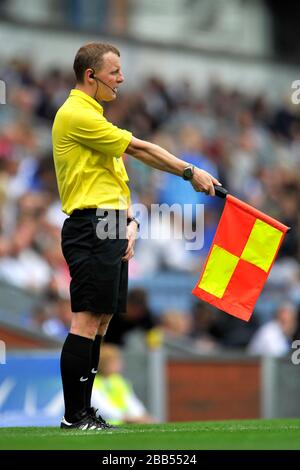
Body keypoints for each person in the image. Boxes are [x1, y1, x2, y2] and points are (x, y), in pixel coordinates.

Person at [52, 42, 220, 430]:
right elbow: (139, 149)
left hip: (108, 224)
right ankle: (73, 415)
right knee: (86, 321)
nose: (121, 79)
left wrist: (130, 224)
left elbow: (116, 183)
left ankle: (84, 411)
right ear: (91, 76)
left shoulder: (95, 118)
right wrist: (189, 170)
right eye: (114, 72)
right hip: (90, 225)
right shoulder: (77, 114)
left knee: (102, 322)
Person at [92, 344, 154, 424]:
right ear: (102, 363)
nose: (118, 363)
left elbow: (132, 402)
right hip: (105, 425)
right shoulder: (93, 383)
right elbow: (100, 408)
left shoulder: (119, 381)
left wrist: (141, 415)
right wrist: (127, 417)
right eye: (112, 360)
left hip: (124, 423)